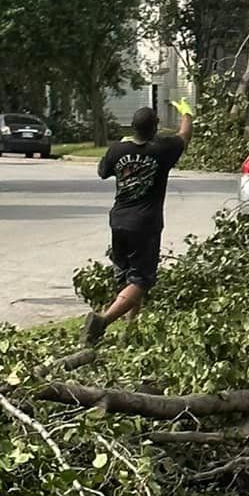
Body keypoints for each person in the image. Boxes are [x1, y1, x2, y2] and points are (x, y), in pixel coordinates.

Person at [84, 97, 195, 344]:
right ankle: (102, 321)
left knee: (126, 278)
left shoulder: (118, 149)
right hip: (145, 224)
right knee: (141, 280)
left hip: (119, 221)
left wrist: (121, 149)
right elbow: (185, 134)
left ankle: (130, 332)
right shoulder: (162, 150)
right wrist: (186, 112)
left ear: (132, 127)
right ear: (155, 128)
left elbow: (103, 171)